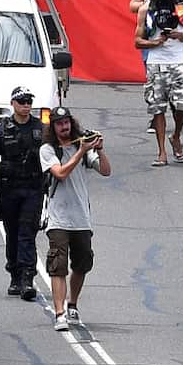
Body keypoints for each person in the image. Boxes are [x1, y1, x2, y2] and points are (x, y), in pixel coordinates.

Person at [40, 106, 111, 332]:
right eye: (60, 123)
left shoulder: (82, 145)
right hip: (59, 218)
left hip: (81, 217)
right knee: (57, 266)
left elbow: (106, 171)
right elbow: (60, 173)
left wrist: (99, 150)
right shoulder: (48, 150)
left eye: (67, 122)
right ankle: (60, 313)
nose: (65, 127)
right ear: (53, 127)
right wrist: (80, 151)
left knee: (82, 264)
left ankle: (73, 304)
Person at [0, 86, 46, 301]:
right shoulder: (1, 130)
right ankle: (15, 275)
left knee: (27, 232)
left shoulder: (41, 129)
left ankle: (28, 277)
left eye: (29, 101)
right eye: (22, 101)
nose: (26, 105)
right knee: (13, 233)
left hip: (33, 189)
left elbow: (53, 154)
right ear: (13, 104)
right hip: (9, 189)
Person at [134, 0, 183, 167]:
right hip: (156, 62)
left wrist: (179, 34)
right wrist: (154, 42)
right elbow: (137, 41)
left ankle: (176, 135)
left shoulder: (182, 6)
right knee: (157, 107)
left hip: (179, 61)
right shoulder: (146, 8)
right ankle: (161, 152)